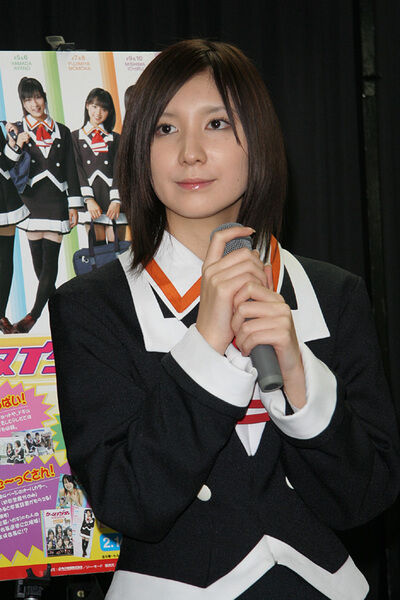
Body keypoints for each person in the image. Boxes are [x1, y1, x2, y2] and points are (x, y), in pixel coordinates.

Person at [49, 39, 400, 600]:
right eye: (165, 128)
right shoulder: (92, 307)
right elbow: (128, 502)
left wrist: (300, 381)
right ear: (139, 150)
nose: (190, 153)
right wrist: (207, 344)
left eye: (216, 124)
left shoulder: (334, 295)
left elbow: (365, 498)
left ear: (257, 141)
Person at [8, 77, 82, 333]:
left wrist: (74, 205)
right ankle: (63, 313)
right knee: (39, 266)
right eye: (28, 100)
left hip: (56, 199)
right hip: (30, 198)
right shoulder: (16, 129)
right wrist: (17, 144)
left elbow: (71, 169)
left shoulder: (62, 130)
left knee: (50, 263)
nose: (34, 104)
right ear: (22, 103)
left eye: (37, 97)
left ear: (44, 97)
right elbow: (7, 166)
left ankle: (31, 317)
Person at [72, 88, 126, 244]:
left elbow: (120, 170)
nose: (98, 113)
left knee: (118, 249)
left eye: (104, 109)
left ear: (109, 112)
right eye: (95, 106)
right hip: (91, 200)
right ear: (87, 105)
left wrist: (116, 200)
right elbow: (77, 170)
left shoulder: (116, 139)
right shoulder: (75, 137)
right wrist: (88, 200)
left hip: (113, 200)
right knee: (97, 250)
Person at [0, 124, 30, 334]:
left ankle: (0, 314)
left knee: (4, 262)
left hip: (4, 199)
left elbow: (6, 163)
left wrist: (13, 143)